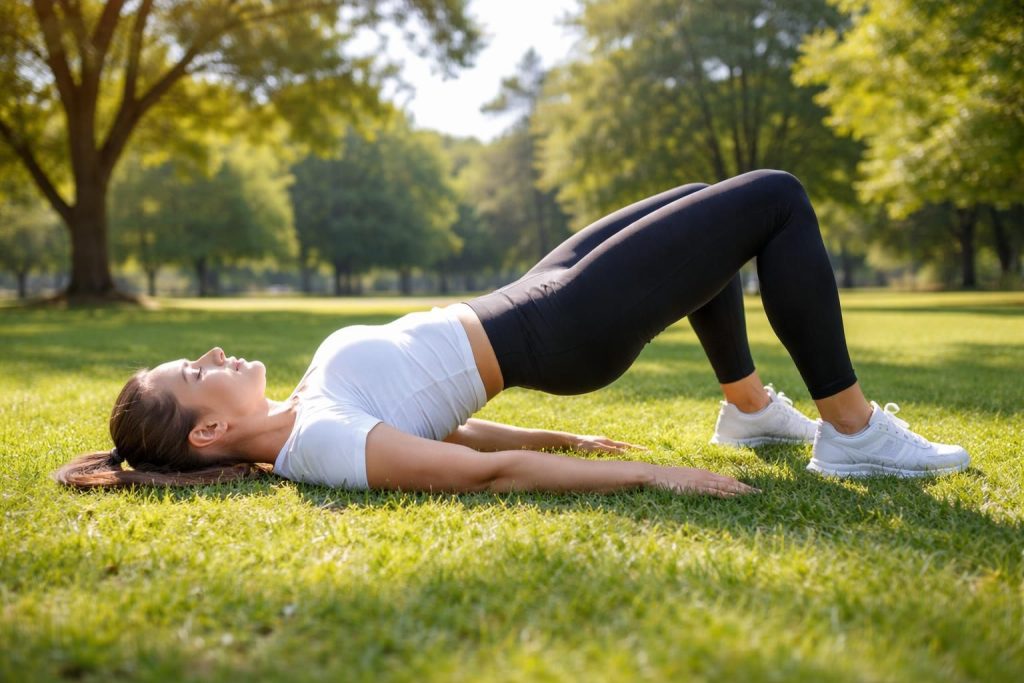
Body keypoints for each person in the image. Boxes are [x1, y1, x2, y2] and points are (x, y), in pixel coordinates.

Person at [53, 169, 970, 496]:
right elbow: (481, 472)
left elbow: (441, 425)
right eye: (194, 369)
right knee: (774, 198)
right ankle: (851, 433)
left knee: (701, 209)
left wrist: (560, 432)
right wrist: (652, 473)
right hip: (559, 330)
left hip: (526, 295)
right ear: (206, 430)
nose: (212, 354)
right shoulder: (323, 446)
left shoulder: (305, 415)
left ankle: (751, 410)